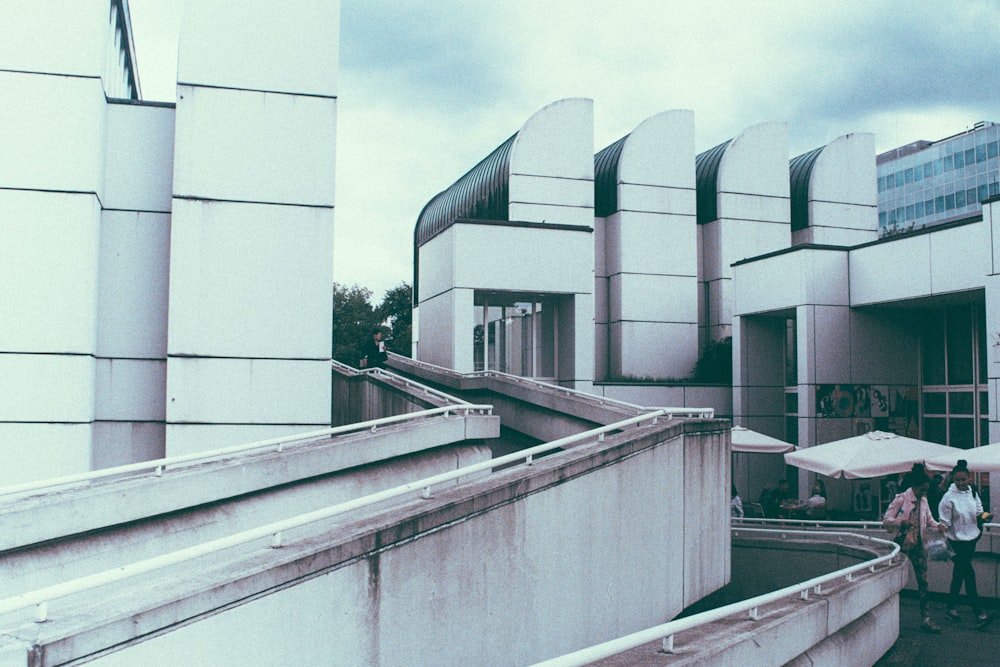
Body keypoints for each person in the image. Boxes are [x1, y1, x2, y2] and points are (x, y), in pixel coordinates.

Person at [884, 463, 947, 633]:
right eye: (922, 490)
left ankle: (926, 618)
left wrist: (938, 526)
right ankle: (890, 618)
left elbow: (930, 520)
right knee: (894, 580)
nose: (924, 493)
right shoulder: (901, 499)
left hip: (918, 545)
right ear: (915, 487)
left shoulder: (923, 500)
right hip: (902, 544)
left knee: (924, 582)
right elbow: (886, 520)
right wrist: (901, 522)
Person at [938, 460, 989, 627]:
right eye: (957, 480)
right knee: (969, 574)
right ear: (953, 479)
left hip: (971, 539)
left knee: (959, 574)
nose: (960, 483)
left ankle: (951, 609)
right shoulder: (948, 498)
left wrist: (986, 517)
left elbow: (979, 512)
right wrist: (943, 543)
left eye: (963, 479)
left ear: (969, 478)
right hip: (955, 542)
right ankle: (979, 612)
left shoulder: (973, 491)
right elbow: (944, 523)